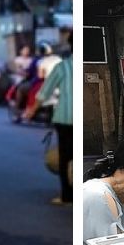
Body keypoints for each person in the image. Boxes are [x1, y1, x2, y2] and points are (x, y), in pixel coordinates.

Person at [45, 52, 75, 206]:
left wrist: (31, 110)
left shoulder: (62, 67)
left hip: (64, 118)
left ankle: (67, 196)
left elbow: (45, 92)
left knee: (65, 157)